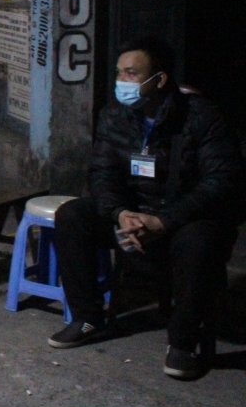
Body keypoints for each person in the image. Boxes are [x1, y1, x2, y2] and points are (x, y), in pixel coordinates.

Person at [48, 35, 244, 380]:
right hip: (134, 211)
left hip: (183, 217)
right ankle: (87, 317)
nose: (121, 81)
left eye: (131, 73)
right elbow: (102, 172)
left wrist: (163, 221)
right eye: (119, 73)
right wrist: (120, 213)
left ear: (160, 79)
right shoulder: (115, 115)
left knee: (199, 241)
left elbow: (222, 181)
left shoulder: (202, 116)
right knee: (72, 216)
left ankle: (183, 342)